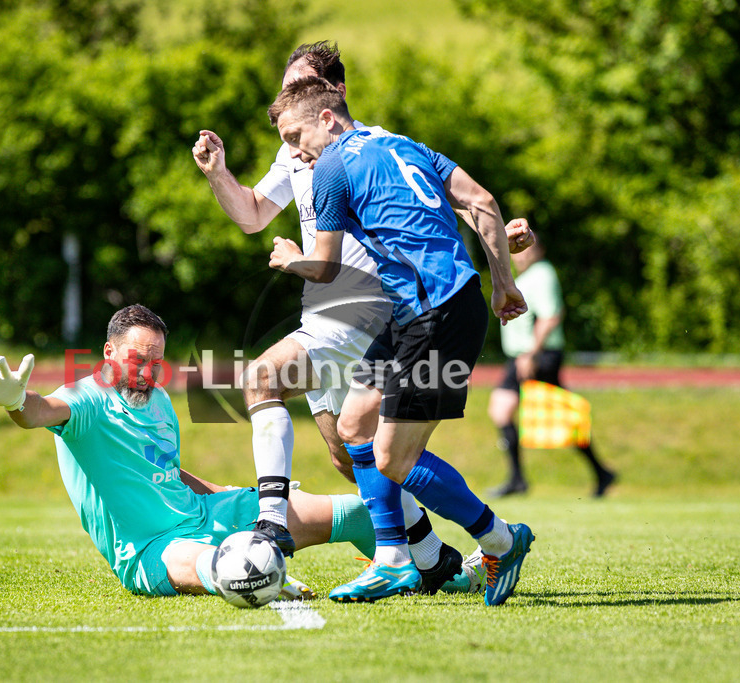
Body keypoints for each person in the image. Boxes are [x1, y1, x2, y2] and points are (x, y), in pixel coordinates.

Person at [192, 41, 530, 595]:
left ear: (329, 105)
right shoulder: (401, 146)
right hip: (407, 312)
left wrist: (289, 260)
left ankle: (495, 541)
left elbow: (323, 267)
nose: (295, 152)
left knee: (385, 455)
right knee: (352, 441)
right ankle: (412, 556)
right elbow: (482, 201)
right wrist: (502, 279)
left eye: (296, 133)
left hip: (417, 310)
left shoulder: (331, 168)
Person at [0, 304, 378, 599]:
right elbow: (40, 412)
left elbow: (168, 472)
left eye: (157, 363)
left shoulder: (160, 400)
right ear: (108, 352)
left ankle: (424, 571)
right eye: (138, 361)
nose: (148, 374)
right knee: (229, 569)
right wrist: (16, 402)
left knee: (355, 513)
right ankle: (261, 577)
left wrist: (230, 494)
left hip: (207, 514)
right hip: (155, 549)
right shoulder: (84, 400)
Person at [487, 231, 616, 497]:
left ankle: (598, 472)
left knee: (560, 417)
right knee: (504, 409)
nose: (520, 255)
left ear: (539, 250)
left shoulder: (543, 274)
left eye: (526, 249)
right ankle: (520, 478)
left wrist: (531, 354)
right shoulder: (529, 276)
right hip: (524, 356)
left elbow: (550, 317)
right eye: (517, 249)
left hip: (536, 355)